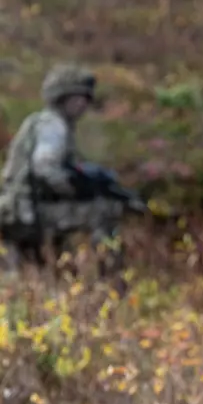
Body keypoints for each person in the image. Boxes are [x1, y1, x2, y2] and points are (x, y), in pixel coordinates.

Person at [0, 64, 133, 271]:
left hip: (18, 209)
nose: (84, 105)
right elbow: (45, 168)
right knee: (106, 210)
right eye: (80, 98)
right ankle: (110, 277)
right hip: (27, 211)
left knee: (28, 273)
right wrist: (76, 188)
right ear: (64, 98)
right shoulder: (54, 126)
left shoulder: (42, 121)